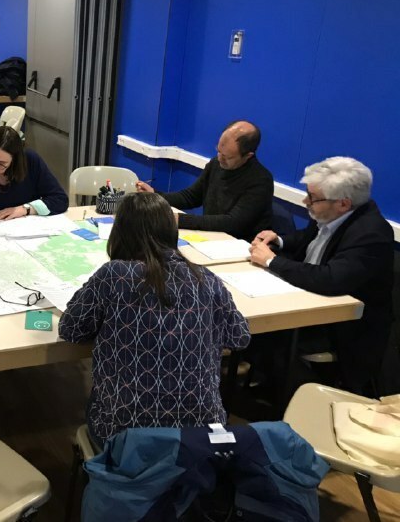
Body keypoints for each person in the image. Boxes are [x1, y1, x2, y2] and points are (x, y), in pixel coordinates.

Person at [59, 193, 251, 445]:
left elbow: (71, 329)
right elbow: (239, 337)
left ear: (121, 233)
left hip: (123, 434)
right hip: (201, 436)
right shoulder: (205, 278)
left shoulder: (115, 275)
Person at [249, 157, 394, 394]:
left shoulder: (370, 234)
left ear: (343, 204)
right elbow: (309, 241)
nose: (305, 201)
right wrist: (279, 240)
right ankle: (269, 386)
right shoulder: (330, 213)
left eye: (312, 197)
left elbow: (330, 279)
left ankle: (293, 397)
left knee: (263, 334)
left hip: (342, 327)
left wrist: (271, 261)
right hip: (306, 300)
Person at [136, 120, 273, 241]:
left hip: (239, 246)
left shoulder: (261, 180)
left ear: (248, 156)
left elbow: (233, 223)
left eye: (227, 157)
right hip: (211, 238)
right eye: (218, 151)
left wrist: (179, 220)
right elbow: (191, 197)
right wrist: (155, 196)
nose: (219, 158)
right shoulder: (216, 164)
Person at [0, 126, 68, 221]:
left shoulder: (30, 161)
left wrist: (26, 209)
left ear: (14, 161)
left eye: (1, 163)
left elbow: (60, 199)